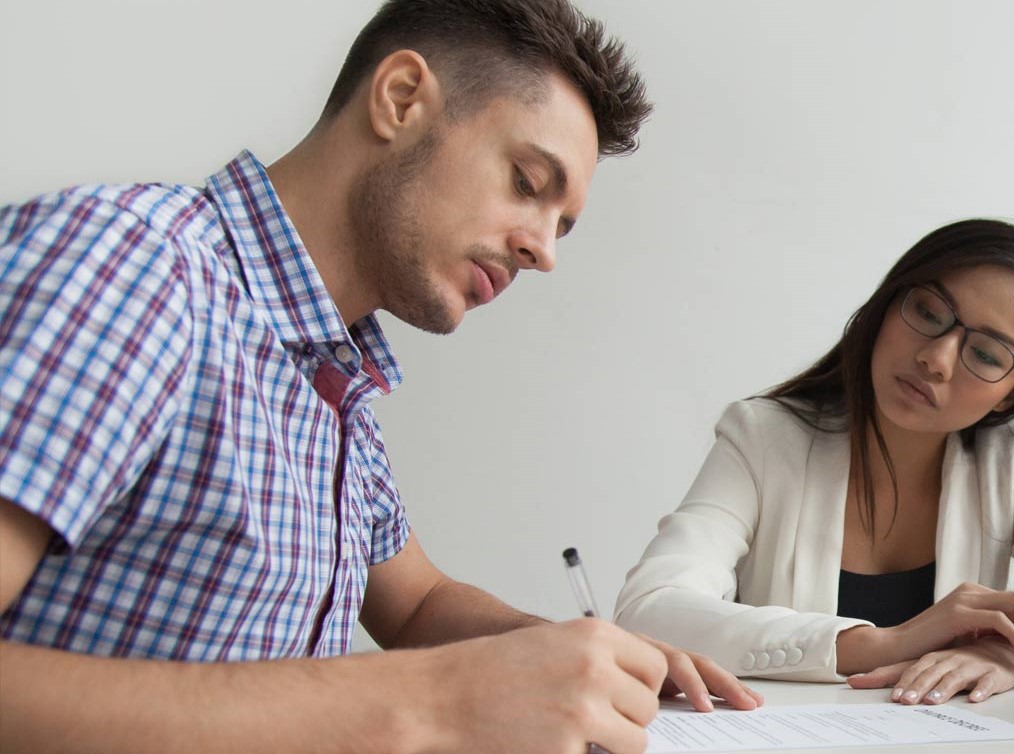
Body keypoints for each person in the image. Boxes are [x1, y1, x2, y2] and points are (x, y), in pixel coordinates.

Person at [0, 1, 755, 751]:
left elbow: (418, 604)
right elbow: (419, 677)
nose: (543, 251)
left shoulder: (334, 380)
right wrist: (435, 701)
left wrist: (584, 661)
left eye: (561, 225)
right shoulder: (134, 267)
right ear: (400, 99)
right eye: (527, 182)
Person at [616, 219, 1014, 705]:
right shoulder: (762, 438)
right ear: (887, 305)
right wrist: (885, 644)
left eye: (987, 354)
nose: (936, 358)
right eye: (928, 312)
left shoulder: (1010, 469)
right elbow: (651, 609)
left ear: (1012, 395)